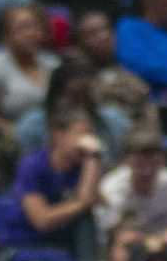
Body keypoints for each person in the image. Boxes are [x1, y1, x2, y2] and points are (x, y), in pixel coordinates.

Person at [12, 105, 106, 253]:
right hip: (30, 243)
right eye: (82, 134)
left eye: (91, 135)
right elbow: (42, 221)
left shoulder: (86, 167)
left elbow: (99, 205)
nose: (88, 141)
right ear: (59, 135)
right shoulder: (33, 166)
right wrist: (82, 204)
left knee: (86, 222)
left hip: (67, 243)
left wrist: (92, 158)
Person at [94, 124, 167, 244]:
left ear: (162, 161)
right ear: (127, 161)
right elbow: (111, 230)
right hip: (125, 244)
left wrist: (162, 239)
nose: (147, 170)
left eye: (153, 162)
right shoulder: (112, 185)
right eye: (140, 163)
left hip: (163, 242)